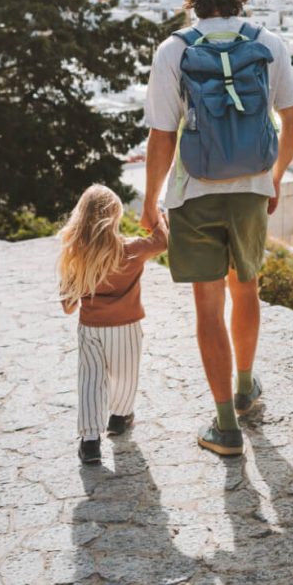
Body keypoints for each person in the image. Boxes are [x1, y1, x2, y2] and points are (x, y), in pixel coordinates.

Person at [141, 0, 293, 456]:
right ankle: (246, 388)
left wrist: (150, 203)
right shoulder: (267, 43)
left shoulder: (174, 50)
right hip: (251, 191)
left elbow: (161, 136)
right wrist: (273, 179)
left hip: (195, 193)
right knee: (247, 287)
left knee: (208, 306)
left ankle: (224, 427)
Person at [57, 183, 169, 466]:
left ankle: (90, 442)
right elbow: (162, 240)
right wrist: (155, 212)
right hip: (126, 326)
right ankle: (119, 418)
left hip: (91, 328)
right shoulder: (131, 248)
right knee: (124, 374)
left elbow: (68, 306)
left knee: (91, 379)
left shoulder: (76, 254)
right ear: (115, 216)